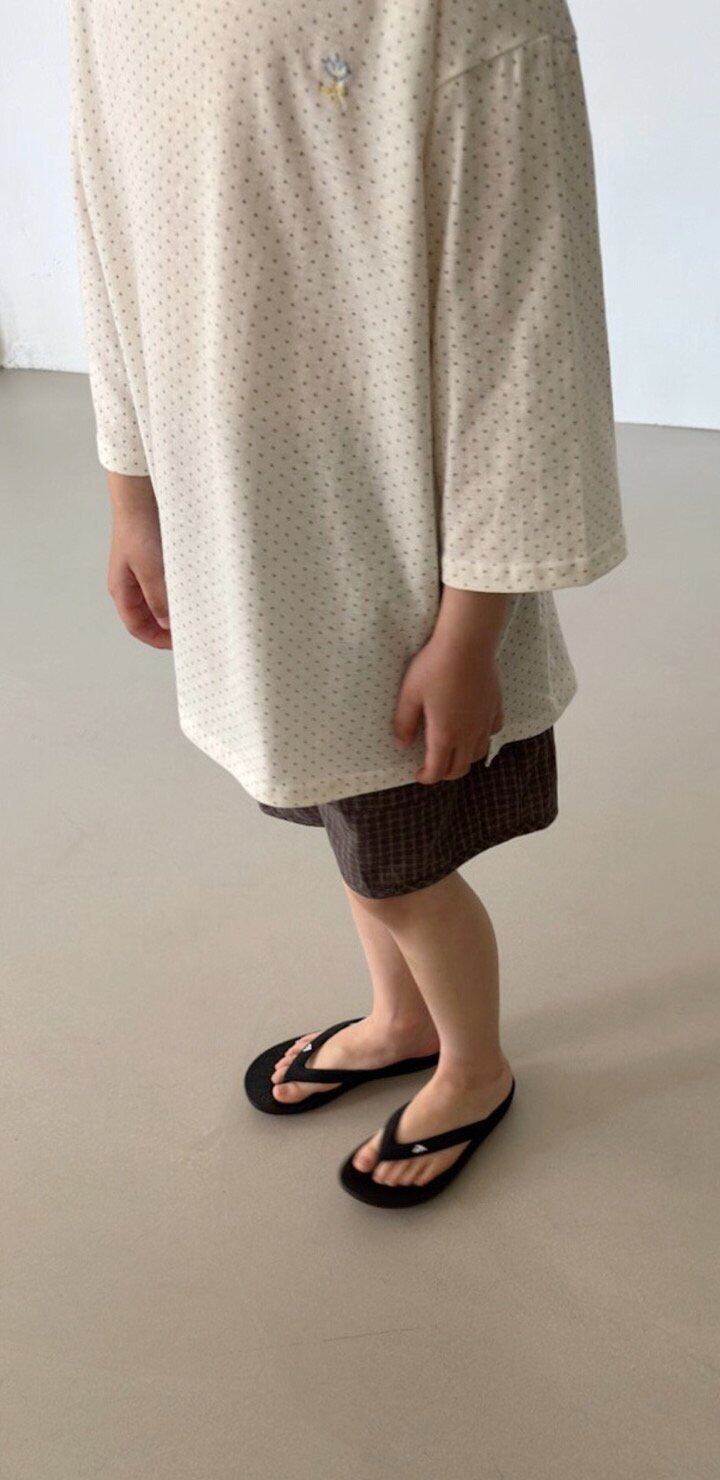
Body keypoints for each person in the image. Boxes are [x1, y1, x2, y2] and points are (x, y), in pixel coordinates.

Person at [68, 0, 626, 1208]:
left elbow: (524, 332)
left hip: (389, 530)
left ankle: (472, 1067)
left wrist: (472, 624)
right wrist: (133, 494)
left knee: (397, 854)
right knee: (339, 811)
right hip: (238, 509)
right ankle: (399, 1021)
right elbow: (110, 223)